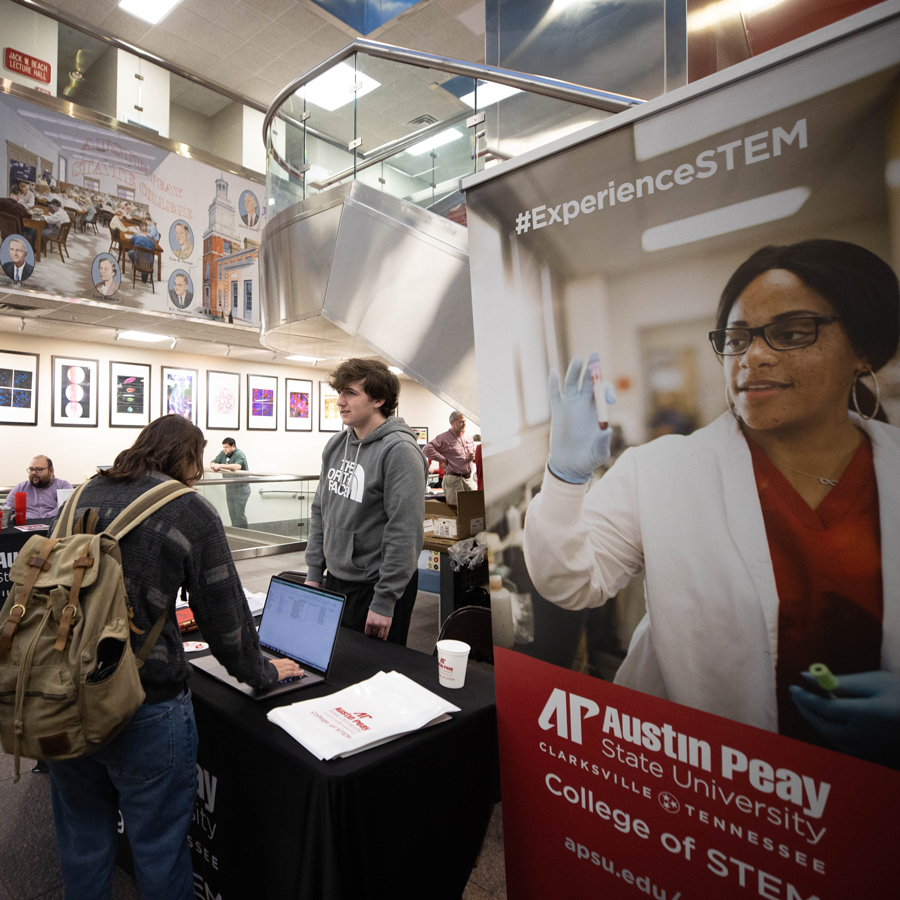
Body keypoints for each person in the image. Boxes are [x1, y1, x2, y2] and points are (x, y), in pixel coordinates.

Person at [523, 239, 900, 768]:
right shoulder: (661, 471)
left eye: (791, 333)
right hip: (709, 788)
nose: (754, 357)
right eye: (736, 338)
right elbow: (569, 581)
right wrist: (564, 475)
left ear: (864, 347)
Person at [45, 415, 301, 899]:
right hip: (145, 703)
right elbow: (224, 621)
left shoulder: (80, 494)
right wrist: (264, 673)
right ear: (189, 456)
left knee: (81, 839)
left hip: (64, 692)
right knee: (159, 847)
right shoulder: (189, 510)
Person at [305, 359, 427, 645]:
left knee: (374, 677)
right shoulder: (337, 444)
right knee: (336, 665)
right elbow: (320, 510)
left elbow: (405, 530)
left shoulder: (400, 451)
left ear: (379, 399)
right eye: (339, 393)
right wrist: (314, 571)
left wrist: (385, 600)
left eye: (350, 393)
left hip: (378, 586)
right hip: (336, 580)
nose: (340, 402)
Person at [423, 411, 476, 505]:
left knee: (474, 508)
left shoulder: (469, 437)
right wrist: (443, 459)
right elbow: (426, 449)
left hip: (468, 479)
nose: (464, 424)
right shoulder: (444, 438)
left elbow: (475, 457)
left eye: (465, 421)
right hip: (454, 480)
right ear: (452, 423)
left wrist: (474, 457)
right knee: (456, 510)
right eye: (461, 422)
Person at [2, 456, 72, 519]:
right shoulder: (21, 488)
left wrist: (44, 519)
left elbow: (65, 509)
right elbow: (6, 510)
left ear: (51, 471)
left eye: (39, 469)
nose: (33, 473)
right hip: (25, 528)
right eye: (31, 469)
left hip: (53, 526)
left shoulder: (63, 486)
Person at [210, 437, 250, 528]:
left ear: (233, 446)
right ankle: (237, 533)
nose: (225, 449)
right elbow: (213, 462)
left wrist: (219, 465)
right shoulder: (223, 453)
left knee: (239, 514)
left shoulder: (239, 454)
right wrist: (214, 465)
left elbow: (237, 466)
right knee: (232, 513)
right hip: (230, 488)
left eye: (227, 447)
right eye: (224, 447)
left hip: (241, 489)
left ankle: (244, 534)